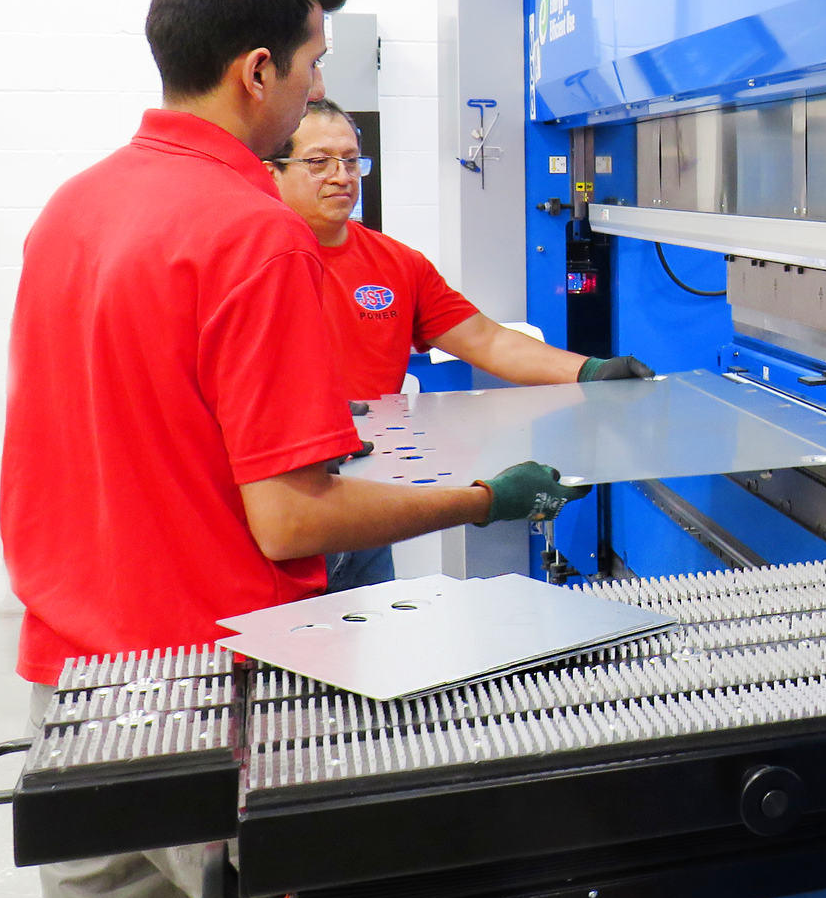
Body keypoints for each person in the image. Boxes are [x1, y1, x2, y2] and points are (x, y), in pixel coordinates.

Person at [0, 0, 588, 898]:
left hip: (77, 681)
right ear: (257, 70)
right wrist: (485, 500)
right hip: (211, 696)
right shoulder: (250, 235)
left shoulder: (72, 207)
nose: (322, 90)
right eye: (315, 63)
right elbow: (289, 518)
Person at [267, 97, 652, 588]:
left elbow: (486, 340)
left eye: (351, 160)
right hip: (283, 501)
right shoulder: (257, 264)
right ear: (272, 171)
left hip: (362, 501)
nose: (341, 176)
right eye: (319, 162)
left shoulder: (396, 263)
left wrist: (590, 370)